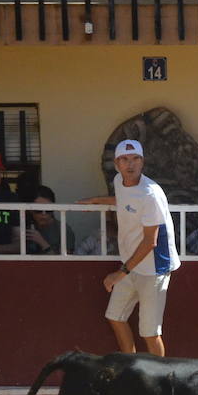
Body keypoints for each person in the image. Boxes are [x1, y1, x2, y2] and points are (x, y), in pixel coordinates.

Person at [77, 139, 180, 356]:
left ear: (142, 162)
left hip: (154, 268)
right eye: (124, 159)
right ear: (117, 164)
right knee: (115, 317)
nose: (130, 164)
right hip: (132, 263)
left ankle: (159, 381)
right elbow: (124, 200)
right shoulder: (118, 181)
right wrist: (96, 200)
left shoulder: (150, 193)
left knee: (150, 333)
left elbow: (150, 242)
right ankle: (130, 366)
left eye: (135, 159)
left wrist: (119, 273)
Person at [25, 185, 76, 255]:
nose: (44, 214)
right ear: (30, 210)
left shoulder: (63, 230)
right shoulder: (24, 226)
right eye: (38, 209)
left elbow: (65, 264)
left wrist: (42, 243)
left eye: (48, 209)